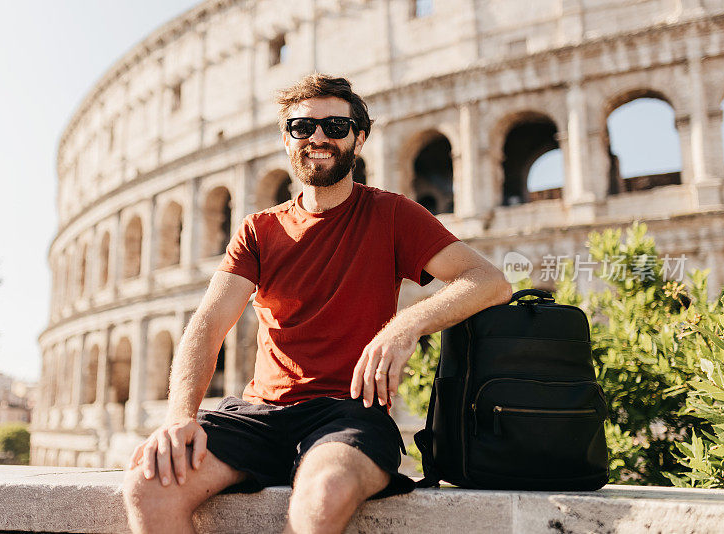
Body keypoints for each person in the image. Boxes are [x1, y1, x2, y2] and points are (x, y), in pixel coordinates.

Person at [122, 73, 512, 534]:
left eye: (335, 126)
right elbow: (207, 326)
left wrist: (405, 324)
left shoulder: (392, 214)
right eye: (302, 128)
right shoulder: (258, 230)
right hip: (260, 415)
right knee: (149, 488)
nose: (318, 138)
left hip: (347, 413)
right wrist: (179, 419)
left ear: (359, 138)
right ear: (286, 140)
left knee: (322, 496)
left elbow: (489, 280)